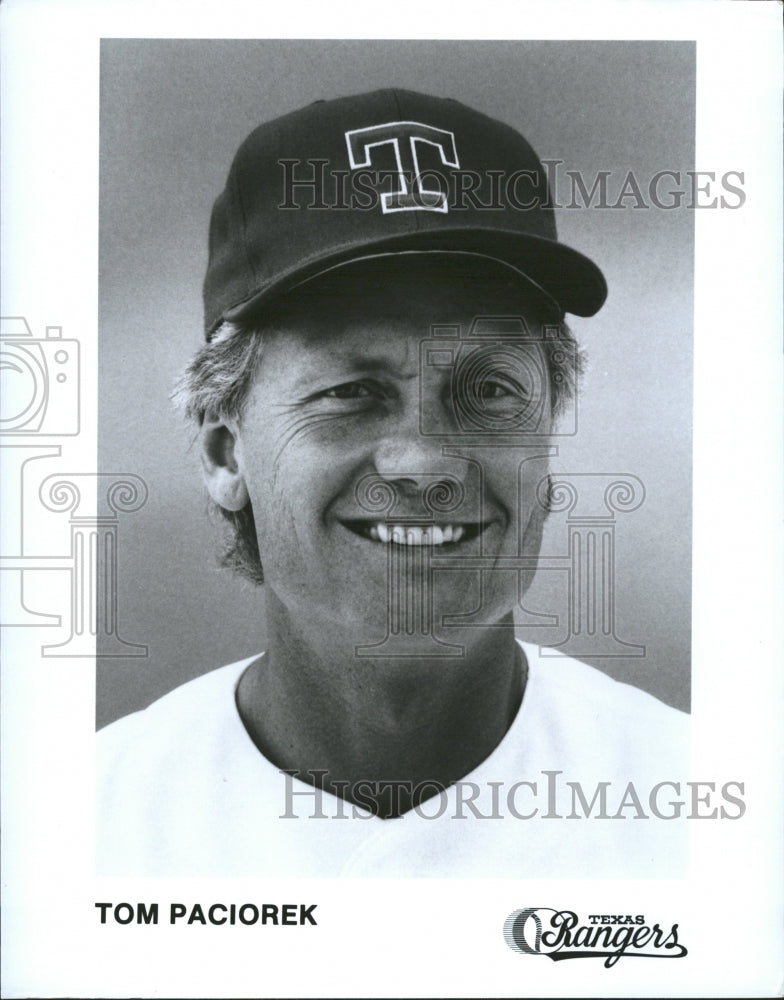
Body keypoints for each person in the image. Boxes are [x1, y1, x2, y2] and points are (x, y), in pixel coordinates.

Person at [97, 88, 688, 877]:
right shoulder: (79, 827)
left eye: (487, 392)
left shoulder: (708, 816)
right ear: (224, 456)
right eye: (351, 392)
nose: (424, 461)